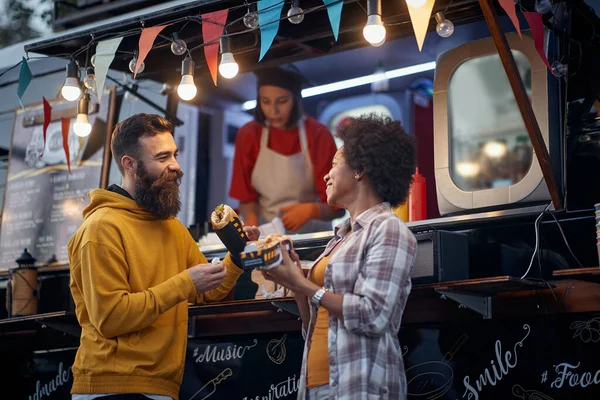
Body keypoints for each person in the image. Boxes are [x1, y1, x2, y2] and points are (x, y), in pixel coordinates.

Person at [67, 114, 260, 400]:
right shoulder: (100, 229)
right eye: (162, 157)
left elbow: (210, 292)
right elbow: (111, 317)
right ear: (129, 165)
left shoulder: (172, 228)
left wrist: (237, 251)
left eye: (175, 154)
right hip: (112, 388)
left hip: (163, 386)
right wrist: (184, 283)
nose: (176, 166)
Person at [261, 114, 418, 399]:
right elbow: (314, 323)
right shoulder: (340, 237)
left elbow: (372, 315)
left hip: (359, 384)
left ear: (359, 169)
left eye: (334, 164)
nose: (326, 174)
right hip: (316, 385)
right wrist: (294, 278)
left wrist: (304, 285)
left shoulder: (388, 229)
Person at [229, 67, 344, 233]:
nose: (273, 111)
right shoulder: (248, 135)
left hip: (312, 237)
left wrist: (312, 210)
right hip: (267, 235)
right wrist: (251, 225)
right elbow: (246, 198)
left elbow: (338, 206)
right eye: (265, 101)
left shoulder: (318, 134)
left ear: (296, 100)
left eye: (282, 101)